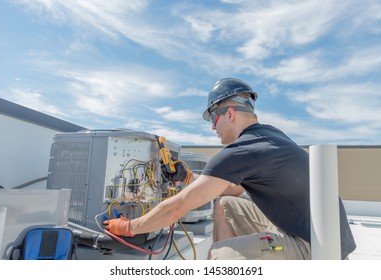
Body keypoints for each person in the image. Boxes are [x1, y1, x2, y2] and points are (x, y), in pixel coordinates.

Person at [104, 77, 356, 259]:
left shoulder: (241, 151)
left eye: (213, 117)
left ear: (230, 114)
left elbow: (176, 208)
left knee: (218, 255)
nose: (212, 127)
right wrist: (188, 177)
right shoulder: (269, 137)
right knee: (224, 204)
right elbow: (232, 191)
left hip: (315, 249)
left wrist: (128, 227)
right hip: (327, 237)